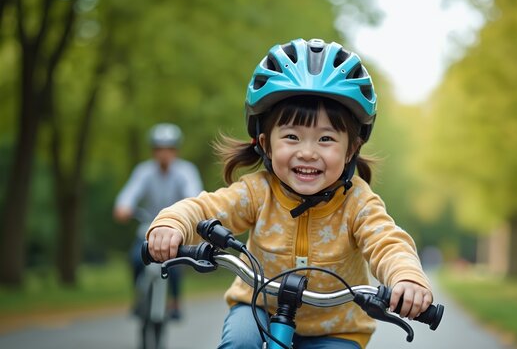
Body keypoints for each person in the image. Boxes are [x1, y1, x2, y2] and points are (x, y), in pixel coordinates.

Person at [146, 39, 433, 348]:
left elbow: (387, 242)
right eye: (292, 137)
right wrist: (172, 224)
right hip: (258, 309)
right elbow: (205, 209)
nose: (307, 152)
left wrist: (406, 278)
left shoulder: (358, 203)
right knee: (240, 342)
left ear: (351, 148)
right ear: (266, 143)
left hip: (336, 328)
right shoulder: (258, 192)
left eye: (325, 139)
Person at [114, 123, 203, 320]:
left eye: (169, 148)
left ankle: (175, 302)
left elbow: (194, 197)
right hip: (149, 226)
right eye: (159, 148)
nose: (164, 154)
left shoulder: (186, 171)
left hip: (176, 227)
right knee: (136, 258)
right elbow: (130, 193)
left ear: (176, 150)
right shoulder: (144, 171)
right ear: (153, 151)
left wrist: (190, 212)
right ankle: (139, 296)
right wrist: (123, 206)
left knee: (175, 261)